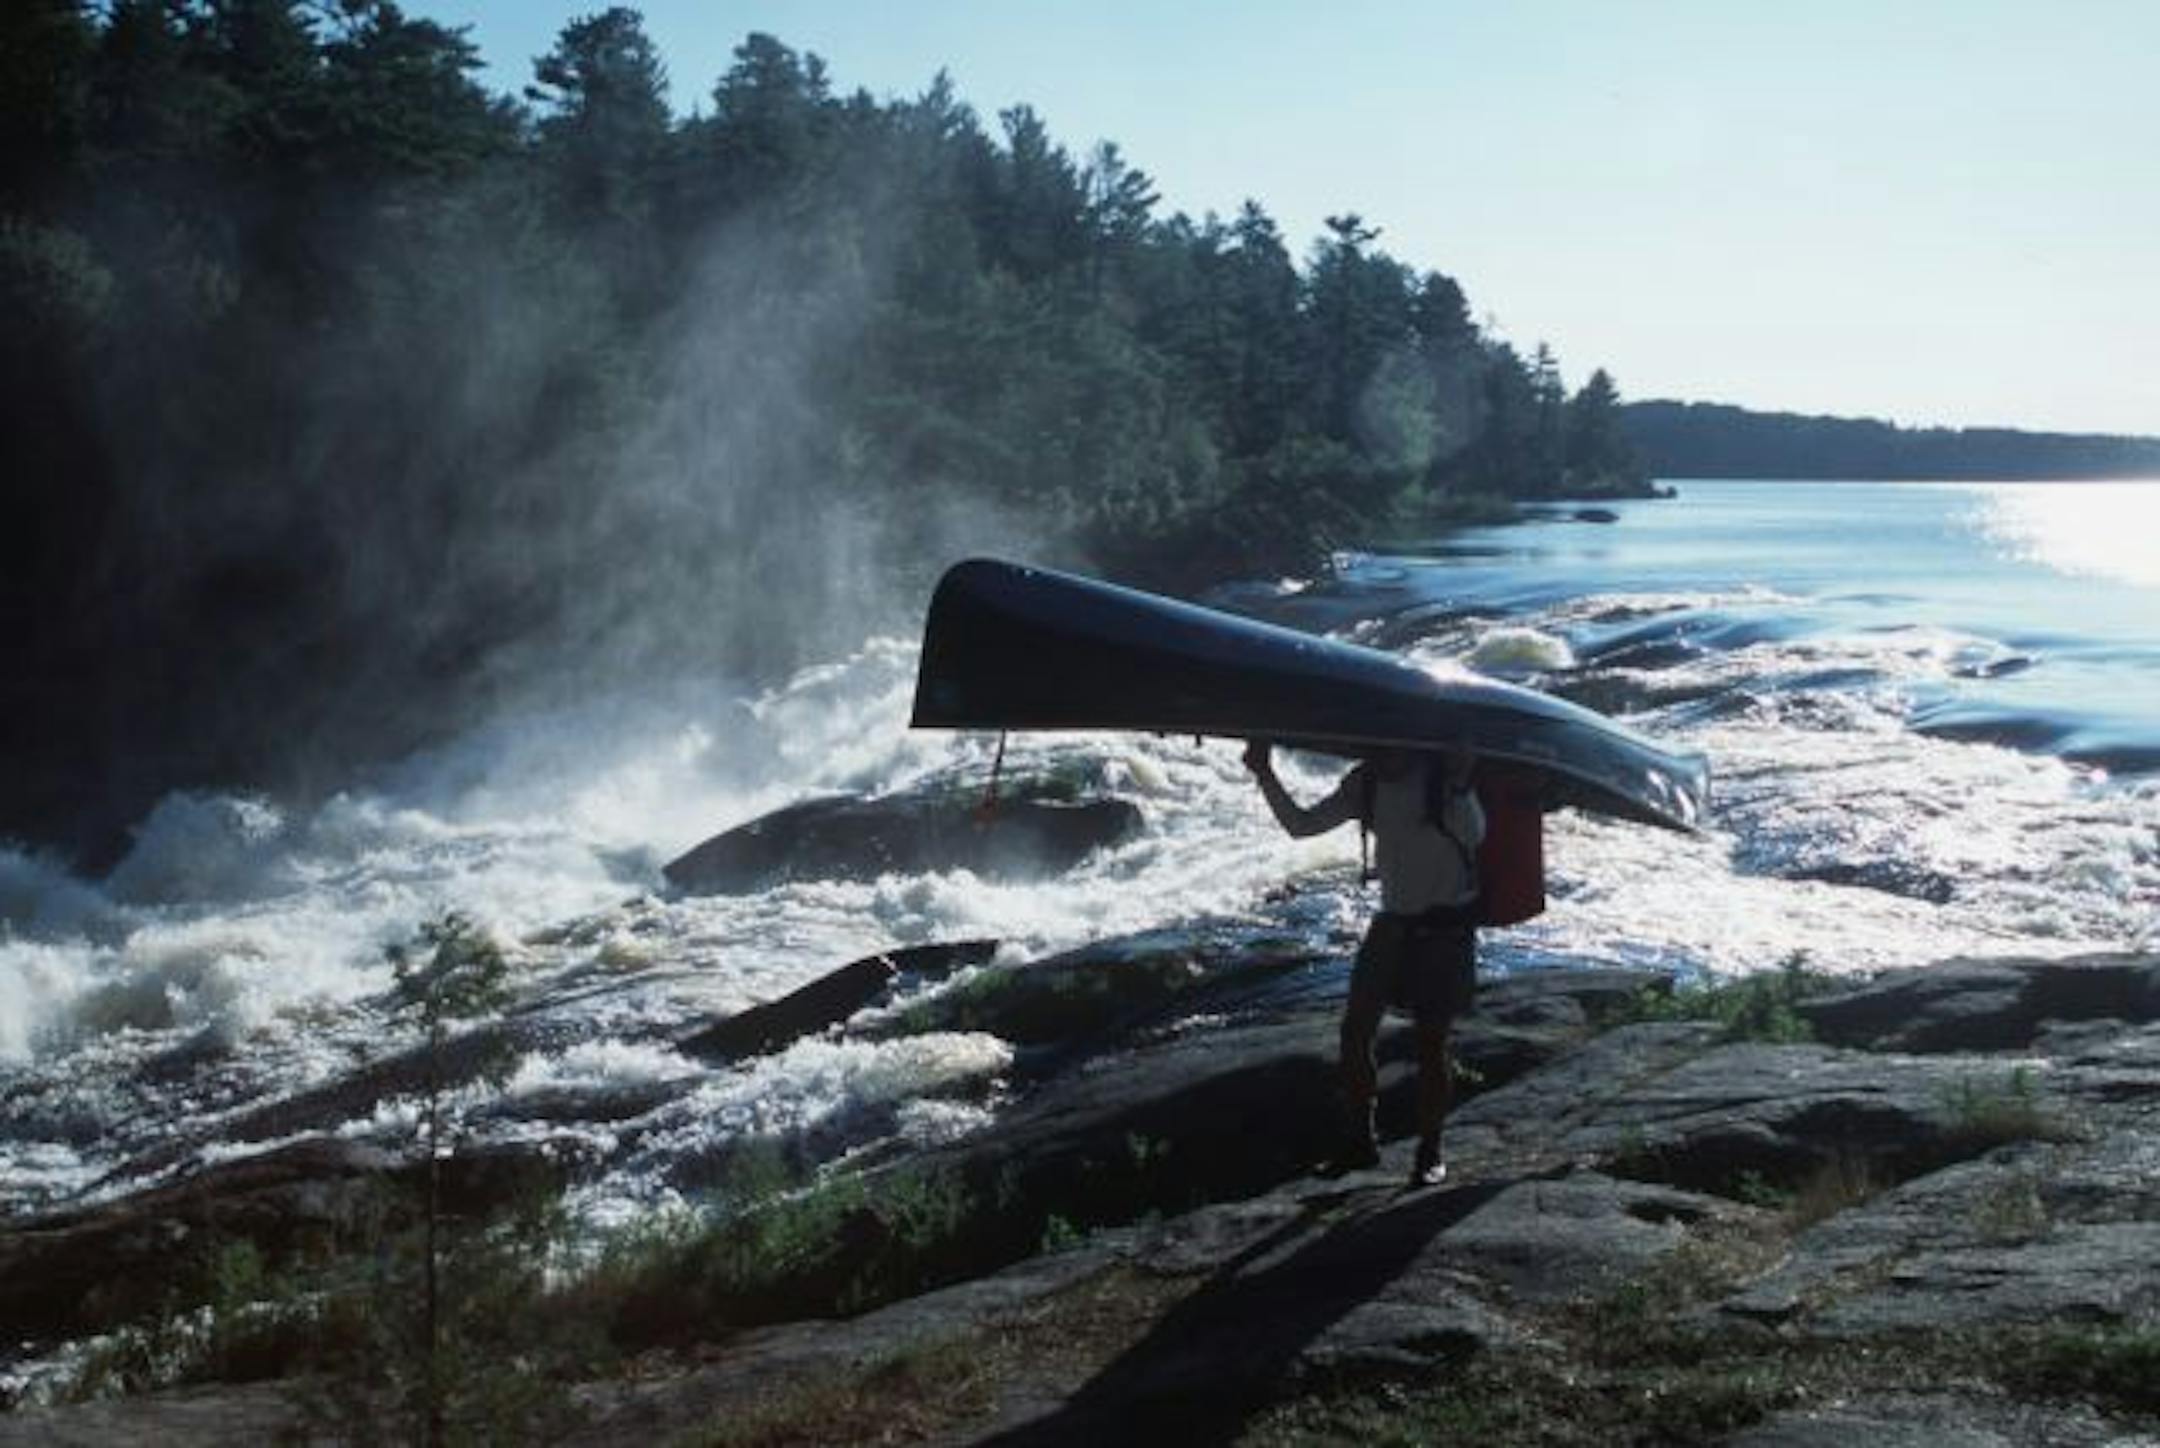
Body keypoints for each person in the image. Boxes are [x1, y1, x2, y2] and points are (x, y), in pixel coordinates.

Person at [1244, 739, 1484, 1186]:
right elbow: (1301, 825)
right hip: (1392, 923)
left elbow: (1474, 835)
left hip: (1444, 929)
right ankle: (1361, 1142)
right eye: (1372, 751)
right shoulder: (1365, 782)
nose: (1379, 758)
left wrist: (1460, 784)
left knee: (1431, 1042)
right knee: (1354, 1032)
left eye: (1386, 750)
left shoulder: (1439, 779)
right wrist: (1264, 772)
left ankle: (1430, 1152)